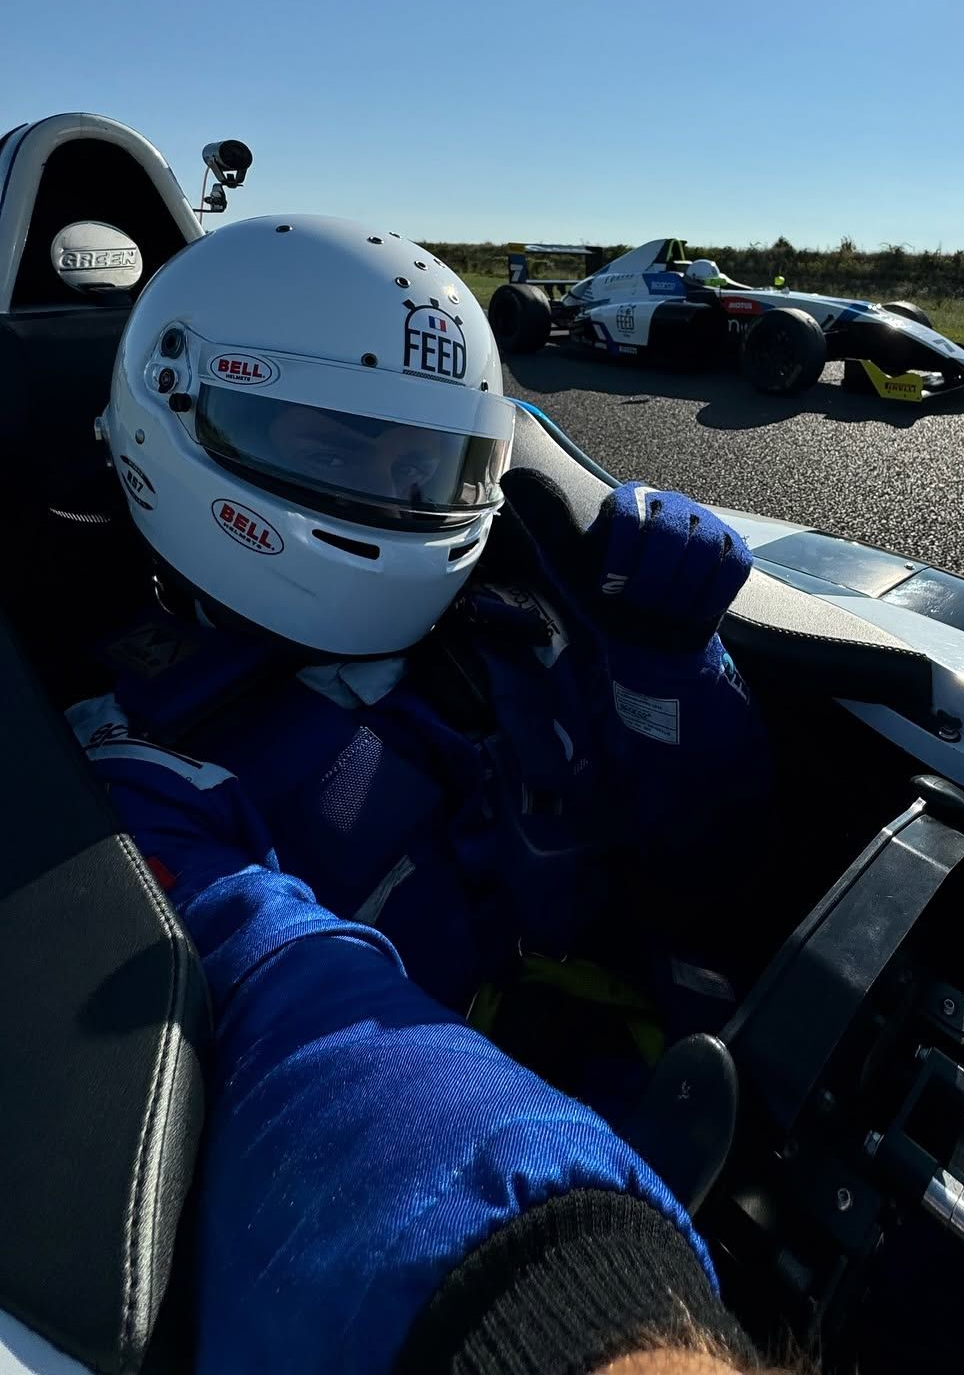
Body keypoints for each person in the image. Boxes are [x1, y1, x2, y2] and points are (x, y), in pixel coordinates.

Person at [73, 215, 775, 1371]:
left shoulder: (517, 617)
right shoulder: (139, 780)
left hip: (668, 1052)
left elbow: (714, 863)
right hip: (522, 1188)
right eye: (345, 447)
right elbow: (291, 1023)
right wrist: (549, 1295)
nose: (404, 493)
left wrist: (674, 669)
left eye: (427, 462)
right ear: (183, 408)